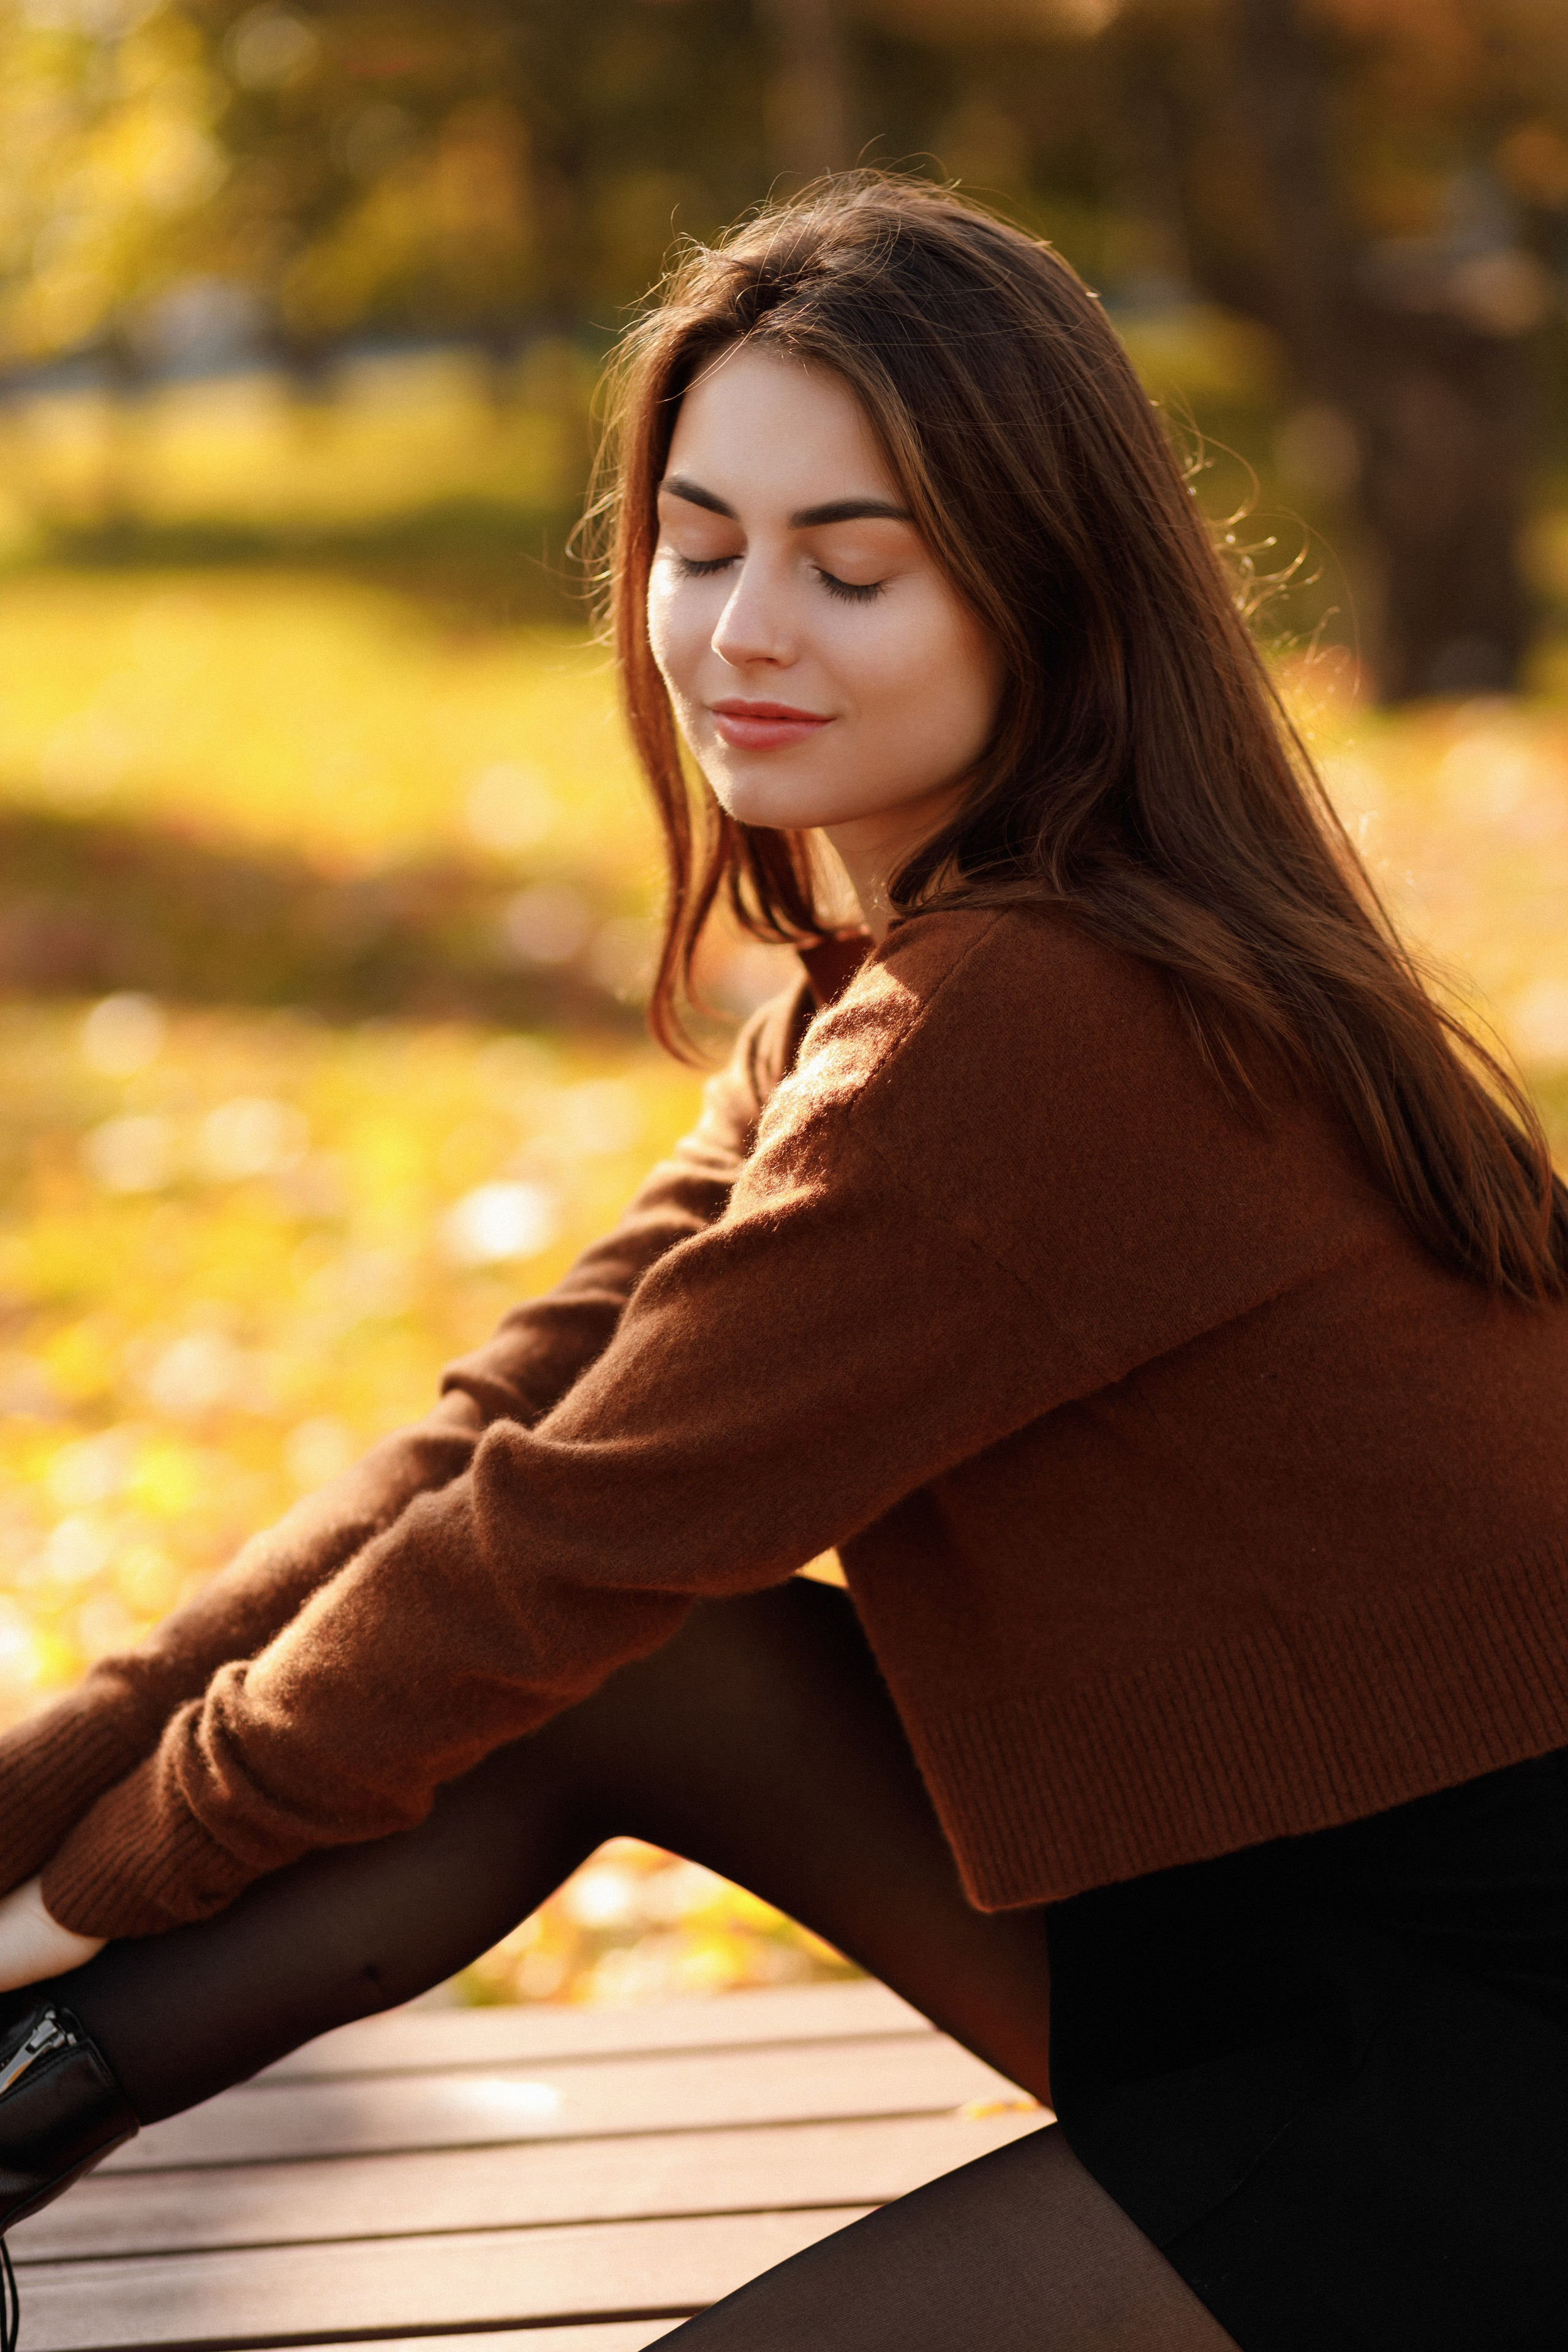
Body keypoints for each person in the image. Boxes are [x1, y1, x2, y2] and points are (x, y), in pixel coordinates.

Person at [0, 172, 1564, 2352]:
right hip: (1232, 1949)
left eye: (851, 568)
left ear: (1050, 596)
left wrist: (78, 1899)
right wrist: (33, 1809)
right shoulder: (884, 991)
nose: (742, 633)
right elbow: (486, 1444)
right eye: (700, 542)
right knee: (650, 1656)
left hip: (1479, 2066)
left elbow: (544, 1553)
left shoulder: (1033, 1029)